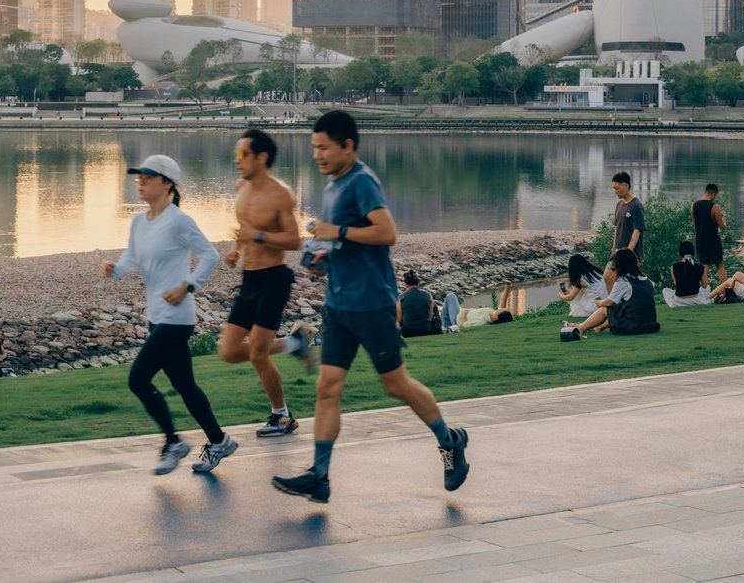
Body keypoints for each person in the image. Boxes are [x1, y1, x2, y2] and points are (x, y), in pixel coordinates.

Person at [271, 110, 470, 505]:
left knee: (395, 383)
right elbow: (339, 243)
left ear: (348, 146)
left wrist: (337, 232)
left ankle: (450, 443)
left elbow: (386, 233)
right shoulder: (330, 187)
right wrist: (321, 258)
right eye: (314, 149)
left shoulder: (362, 181)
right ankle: (320, 476)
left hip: (373, 303)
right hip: (338, 304)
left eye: (324, 148)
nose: (318, 156)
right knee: (327, 388)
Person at [103, 154, 237, 475]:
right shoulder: (139, 222)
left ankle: (172, 442)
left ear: (166, 184)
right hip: (156, 316)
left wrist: (187, 285)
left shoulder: (179, 221)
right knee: (185, 386)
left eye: (148, 177)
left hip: (177, 319)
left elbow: (209, 256)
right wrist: (114, 270)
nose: (140, 181)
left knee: (138, 379)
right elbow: (130, 259)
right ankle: (220, 441)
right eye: (139, 177)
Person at [218, 128, 306, 438]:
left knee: (257, 353)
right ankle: (295, 343)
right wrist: (236, 251)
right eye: (236, 154)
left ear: (262, 157)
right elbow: (245, 225)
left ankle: (281, 416)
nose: (237, 160)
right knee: (228, 351)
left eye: (243, 154)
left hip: (273, 279)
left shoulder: (280, 194)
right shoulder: (241, 186)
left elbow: (294, 240)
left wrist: (256, 237)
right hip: (249, 278)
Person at [562, 249, 659, 339]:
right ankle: (598, 327)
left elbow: (609, 302)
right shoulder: (648, 280)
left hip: (632, 326)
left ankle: (580, 328)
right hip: (650, 324)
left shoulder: (623, 281)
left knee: (605, 308)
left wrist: (599, 303)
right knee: (618, 308)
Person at [605, 171, 645, 291]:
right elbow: (617, 229)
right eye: (614, 188)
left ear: (626, 186)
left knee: (631, 283)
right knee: (607, 276)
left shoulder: (636, 206)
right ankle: (614, 306)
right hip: (617, 252)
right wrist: (613, 250)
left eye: (617, 188)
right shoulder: (619, 205)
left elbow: (637, 230)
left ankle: (629, 305)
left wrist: (629, 251)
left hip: (631, 254)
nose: (615, 191)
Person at [440, 281, 515, 330]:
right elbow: (503, 302)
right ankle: (444, 323)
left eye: (501, 310)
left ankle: (446, 325)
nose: (500, 309)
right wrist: (508, 286)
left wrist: (464, 316)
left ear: (497, 317)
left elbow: (463, 326)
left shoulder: (482, 321)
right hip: (459, 311)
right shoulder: (492, 313)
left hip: (456, 319)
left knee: (451, 296)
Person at [691, 183, 728, 283]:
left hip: (700, 240)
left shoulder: (694, 205)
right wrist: (724, 219)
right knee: (719, 265)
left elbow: (695, 223)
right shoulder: (714, 207)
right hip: (713, 240)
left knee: (704, 266)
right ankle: (724, 292)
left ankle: (704, 292)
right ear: (713, 193)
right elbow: (722, 227)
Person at [662, 241, 711, 307]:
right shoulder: (700, 267)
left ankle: (673, 304)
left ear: (681, 252)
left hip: (678, 302)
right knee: (708, 287)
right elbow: (704, 286)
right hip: (696, 300)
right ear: (693, 252)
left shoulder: (674, 266)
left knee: (665, 290)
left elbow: (676, 283)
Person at [397, 269, 439, 337]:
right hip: (426, 330)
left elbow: (399, 319)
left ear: (406, 284)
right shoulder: (428, 295)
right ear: (418, 282)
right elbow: (430, 317)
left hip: (408, 332)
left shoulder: (401, 297)